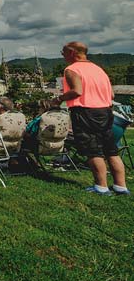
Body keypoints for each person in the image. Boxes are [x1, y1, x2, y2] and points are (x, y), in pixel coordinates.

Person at [50, 42, 128, 195]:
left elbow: (77, 91)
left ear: (72, 53)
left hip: (85, 112)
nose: (63, 55)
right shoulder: (98, 69)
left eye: (63, 52)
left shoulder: (72, 69)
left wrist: (59, 99)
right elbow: (111, 95)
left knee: (93, 150)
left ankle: (101, 186)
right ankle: (121, 186)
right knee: (111, 149)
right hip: (105, 111)